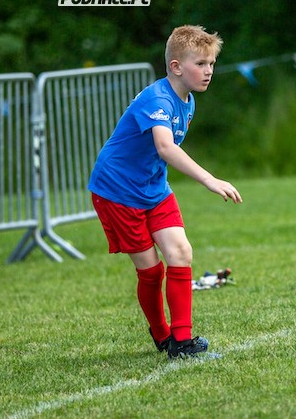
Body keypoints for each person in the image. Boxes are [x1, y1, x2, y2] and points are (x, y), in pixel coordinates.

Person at [88, 25, 243, 359]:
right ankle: (161, 334)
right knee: (151, 270)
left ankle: (182, 342)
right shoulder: (156, 99)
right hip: (117, 191)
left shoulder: (188, 101)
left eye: (211, 64)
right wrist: (209, 179)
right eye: (200, 64)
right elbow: (165, 147)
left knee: (180, 252)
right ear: (176, 66)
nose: (208, 71)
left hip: (154, 189)